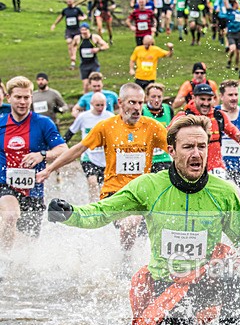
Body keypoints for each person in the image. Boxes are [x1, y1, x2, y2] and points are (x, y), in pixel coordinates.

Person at [47, 115, 240, 325]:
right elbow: (103, 212)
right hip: (167, 285)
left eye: (201, 146)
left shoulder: (223, 192)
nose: (197, 153)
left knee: (230, 275)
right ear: (171, 151)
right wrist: (70, 215)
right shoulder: (149, 186)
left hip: (206, 280)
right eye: (188, 147)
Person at [37, 83, 167, 254]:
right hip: (114, 192)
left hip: (142, 193)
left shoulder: (152, 126)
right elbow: (78, 149)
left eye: (140, 103)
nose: (137, 108)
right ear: (120, 103)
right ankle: (125, 262)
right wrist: (49, 169)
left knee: (139, 233)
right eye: (132, 103)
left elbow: (176, 147)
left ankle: (126, 261)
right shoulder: (107, 126)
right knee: (129, 224)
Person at [0, 77, 67, 253]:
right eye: (18, 97)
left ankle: (14, 263)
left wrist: (42, 155)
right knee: (10, 215)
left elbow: (63, 149)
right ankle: (4, 261)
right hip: (5, 185)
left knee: (27, 246)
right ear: (9, 98)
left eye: (26, 98)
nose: (22, 102)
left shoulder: (43, 123)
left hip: (34, 190)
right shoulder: (1, 124)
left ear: (31, 98)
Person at [174, 83, 240, 179]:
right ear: (193, 98)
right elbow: (167, 136)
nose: (206, 103)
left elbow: (233, 131)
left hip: (215, 167)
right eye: (202, 99)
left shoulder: (219, 116)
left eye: (209, 99)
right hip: (191, 166)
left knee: (232, 192)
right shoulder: (183, 116)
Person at [64, 92, 114, 202]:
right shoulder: (83, 117)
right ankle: (92, 205)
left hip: (105, 158)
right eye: (98, 105)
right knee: (92, 182)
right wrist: (61, 144)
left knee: (105, 186)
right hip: (88, 156)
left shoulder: (110, 117)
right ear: (91, 104)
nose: (100, 108)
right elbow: (70, 132)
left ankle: (103, 205)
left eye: (103, 105)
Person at [142, 83, 174, 173]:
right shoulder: (142, 111)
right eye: (153, 97)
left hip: (165, 157)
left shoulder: (168, 109)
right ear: (147, 97)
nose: (156, 100)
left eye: (159, 97)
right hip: (148, 159)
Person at [72, 23, 109, 94]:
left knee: (95, 84)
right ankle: (86, 101)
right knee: (86, 85)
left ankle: (99, 98)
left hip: (93, 64)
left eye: (85, 30)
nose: (83, 32)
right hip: (84, 65)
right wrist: (73, 55)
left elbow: (106, 46)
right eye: (82, 30)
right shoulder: (78, 38)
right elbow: (73, 46)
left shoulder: (94, 37)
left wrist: (98, 49)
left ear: (88, 30)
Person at [50, 0, 86, 70]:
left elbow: (84, 16)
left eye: (70, 0)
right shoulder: (65, 10)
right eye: (68, 1)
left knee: (75, 43)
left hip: (76, 30)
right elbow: (60, 17)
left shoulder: (77, 9)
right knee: (69, 42)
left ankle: (75, 59)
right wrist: (54, 24)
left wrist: (82, 18)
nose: (69, 2)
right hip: (69, 30)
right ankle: (72, 60)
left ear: (73, 1)